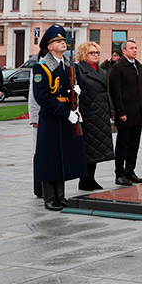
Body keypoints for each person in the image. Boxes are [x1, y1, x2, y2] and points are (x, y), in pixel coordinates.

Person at [33, 25, 86, 211]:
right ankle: (49, 197)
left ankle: (60, 195)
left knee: (62, 156)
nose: (63, 43)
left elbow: (80, 90)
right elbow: (42, 97)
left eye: (63, 40)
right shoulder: (41, 68)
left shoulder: (70, 66)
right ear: (49, 46)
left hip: (67, 117)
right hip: (52, 116)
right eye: (58, 41)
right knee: (49, 157)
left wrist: (80, 92)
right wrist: (65, 113)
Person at [109, 40, 142, 186]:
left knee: (134, 145)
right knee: (122, 145)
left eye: (136, 47)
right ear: (124, 51)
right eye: (131, 48)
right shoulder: (118, 68)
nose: (134, 50)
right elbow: (115, 92)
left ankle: (130, 171)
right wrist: (120, 111)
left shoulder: (139, 66)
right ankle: (119, 174)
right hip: (125, 113)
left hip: (138, 113)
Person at [74, 42, 115, 191]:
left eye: (97, 52)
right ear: (84, 54)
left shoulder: (100, 70)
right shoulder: (79, 69)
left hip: (100, 114)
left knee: (96, 150)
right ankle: (84, 180)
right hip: (89, 115)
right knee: (89, 149)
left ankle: (91, 179)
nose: (96, 55)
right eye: (92, 53)